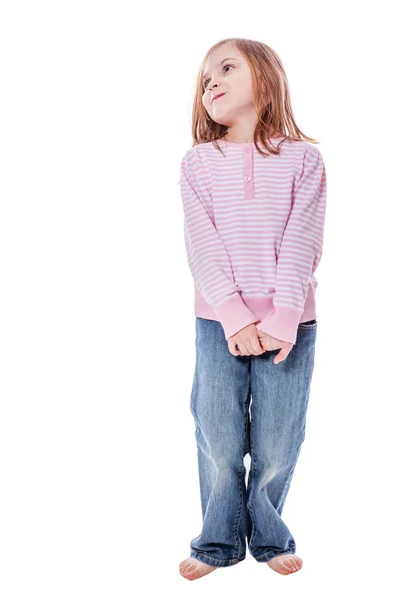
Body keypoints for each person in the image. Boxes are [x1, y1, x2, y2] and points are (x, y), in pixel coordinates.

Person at [178, 38, 327, 580]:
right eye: (204, 78)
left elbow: (302, 240)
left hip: (292, 325)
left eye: (225, 68)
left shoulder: (304, 159)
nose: (210, 82)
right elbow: (203, 245)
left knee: (279, 440)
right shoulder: (198, 163)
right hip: (218, 323)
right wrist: (235, 316)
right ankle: (217, 541)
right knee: (218, 436)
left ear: (264, 79)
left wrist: (283, 316)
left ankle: (269, 537)